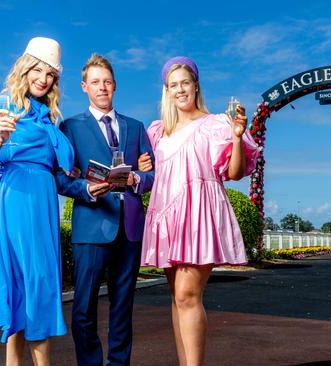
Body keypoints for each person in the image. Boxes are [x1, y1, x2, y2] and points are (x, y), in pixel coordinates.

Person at [140, 56, 260, 366]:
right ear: (166, 91)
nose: (180, 90)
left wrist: (236, 137)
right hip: (167, 217)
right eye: (173, 85)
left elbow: (233, 173)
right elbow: (150, 174)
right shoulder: (157, 132)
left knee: (187, 296)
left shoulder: (215, 124)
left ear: (196, 87)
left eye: (185, 83)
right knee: (177, 299)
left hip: (200, 216)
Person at [0, 37, 73, 366]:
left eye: (51, 76)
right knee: (25, 280)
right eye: (39, 72)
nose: (44, 80)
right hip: (15, 197)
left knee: (38, 281)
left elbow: (61, 173)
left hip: (44, 200)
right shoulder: (1, 103)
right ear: (25, 68)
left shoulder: (51, 117)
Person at [54, 53, 155, 366]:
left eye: (107, 82)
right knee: (83, 308)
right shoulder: (69, 127)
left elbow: (154, 174)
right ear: (84, 86)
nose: (102, 87)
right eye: (95, 82)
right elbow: (58, 176)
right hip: (91, 224)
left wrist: (139, 177)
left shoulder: (136, 127)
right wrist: (83, 188)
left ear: (115, 86)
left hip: (129, 227)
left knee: (122, 307)